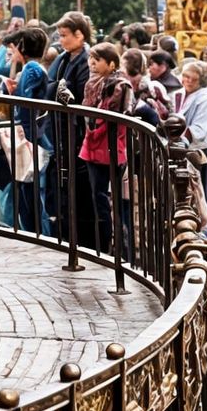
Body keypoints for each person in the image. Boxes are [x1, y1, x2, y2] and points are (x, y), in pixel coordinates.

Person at [45, 11, 94, 246]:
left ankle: (81, 242)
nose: (61, 40)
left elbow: (83, 97)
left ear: (79, 35)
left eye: (65, 35)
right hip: (61, 132)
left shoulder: (85, 61)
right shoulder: (64, 59)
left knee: (80, 193)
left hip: (77, 135)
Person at [79, 42, 131, 254]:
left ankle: (117, 248)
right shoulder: (92, 83)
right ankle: (104, 246)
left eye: (97, 59)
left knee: (112, 201)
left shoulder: (119, 85)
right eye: (91, 58)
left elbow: (110, 117)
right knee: (98, 198)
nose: (92, 63)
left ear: (111, 64)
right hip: (92, 147)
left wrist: (92, 127)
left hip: (110, 147)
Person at [11, 25, 51, 234]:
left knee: (33, 196)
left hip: (31, 138)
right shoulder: (31, 69)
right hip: (31, 135)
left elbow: (26, 104)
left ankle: (40, 237)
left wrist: (25, 134)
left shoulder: (32, 69)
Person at [177, 60, 207, 215]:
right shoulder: (179, 94)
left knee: (199, 198)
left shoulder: (205, 100)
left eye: (192, 79)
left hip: (199, 153)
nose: (187, 81)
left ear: (201, 81)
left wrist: (182, 139)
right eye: (185, 76)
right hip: (182, 151)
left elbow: (200, 129)